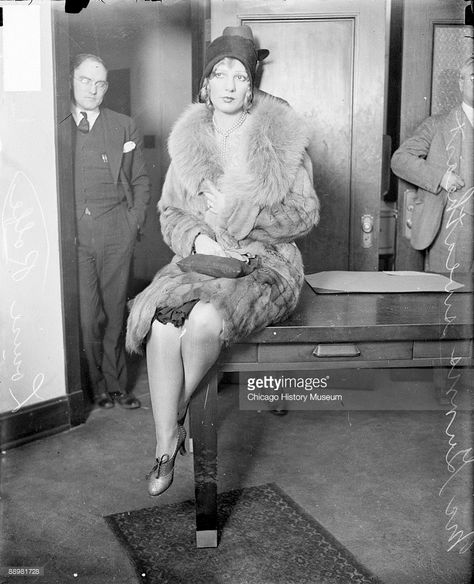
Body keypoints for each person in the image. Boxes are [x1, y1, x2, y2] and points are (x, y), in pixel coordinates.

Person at [126, 32, 319, 496]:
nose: (229, 84)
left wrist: (241, 207)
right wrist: (201, 236)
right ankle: (165, 444)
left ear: (251, 84)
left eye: (239, 75)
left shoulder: (278, 135)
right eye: (219, 74)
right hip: (204, 256)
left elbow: (305, 213)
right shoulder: (188, 142)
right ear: (206, 84)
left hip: (266, 261)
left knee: (206, 321)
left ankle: (173, 411)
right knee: (162, 322)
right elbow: (170, 213)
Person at [62, 54, 150, 409]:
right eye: (85, 81)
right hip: (76, 234)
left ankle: (117, 385)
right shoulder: (58, 124)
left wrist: (133, 222)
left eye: (100, 84)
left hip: (117, 228)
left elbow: (141, 179)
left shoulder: (123, 125)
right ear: (72, 80)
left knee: (115, 310)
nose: (92, 90)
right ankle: (94, 384)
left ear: (107, 88)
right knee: (87, 314)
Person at [391, 56, 473, 273]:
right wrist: (442, 178)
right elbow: (400, 160)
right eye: (473, 77)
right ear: (461, 83)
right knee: (450, 300)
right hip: (450, 230)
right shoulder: (437, 124)